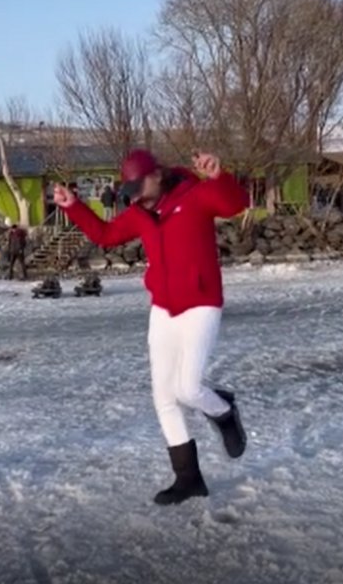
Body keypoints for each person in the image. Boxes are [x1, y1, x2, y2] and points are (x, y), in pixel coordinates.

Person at [52, 149, 249, 506]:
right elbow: (105, 234)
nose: (135, 194)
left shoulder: (195, 195)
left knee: (188, 388)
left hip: (201, 303)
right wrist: (73, 206)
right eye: (130, 188)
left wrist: (220, 176)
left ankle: (223, 412)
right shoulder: (141, 214)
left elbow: (236, 203)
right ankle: (188, 479)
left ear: (157, 174)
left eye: (139, 184)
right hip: (163, 308)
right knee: (163, 396)